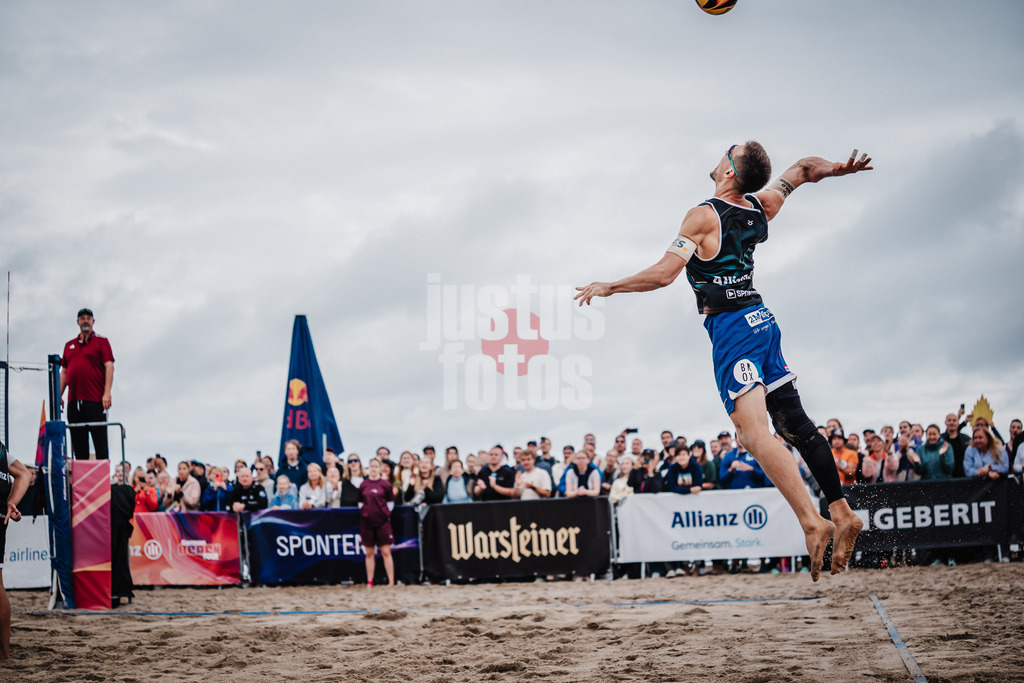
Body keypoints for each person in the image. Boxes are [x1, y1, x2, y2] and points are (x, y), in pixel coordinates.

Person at [575, 142, 871, 579]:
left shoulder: (702, 215)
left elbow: (663, 275)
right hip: (763, 320)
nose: (718, 157)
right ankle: (842, 511)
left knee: (753, 436)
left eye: (725, 153)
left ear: (729, 171)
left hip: (733, 331)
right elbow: (804, 168)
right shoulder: (760, 206)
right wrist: (836, 170)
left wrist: (610, 287)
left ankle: (813, 522)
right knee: (794, 424)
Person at [60, 308, 115, 459]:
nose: (85, 321)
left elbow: (109, 365)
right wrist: (58, 395)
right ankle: (80, 479)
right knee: (78, 444)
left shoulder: (101, 342)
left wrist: (107, 392)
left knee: (100, 442)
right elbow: (64, 371)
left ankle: (102, 479)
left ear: (93, 321)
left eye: (88, 318)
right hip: (74, 401)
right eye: (82, 318)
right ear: (78, 321)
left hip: (95, 399)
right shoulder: (69, 345)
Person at [1, 441, 32, 659]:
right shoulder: (1, 450)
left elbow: (24, 474)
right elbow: (24, 474)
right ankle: (4, 653)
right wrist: (11, 501)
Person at [357, 458, 395, 587]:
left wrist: (384, 514)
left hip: (383, 523)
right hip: (367, 523)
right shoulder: (363, 485)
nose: (373, 469)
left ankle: (391, 581)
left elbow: (390, 503)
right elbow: (360, 503)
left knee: (386, 552)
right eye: (371, 466)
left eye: (376, 466)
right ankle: (370, 581)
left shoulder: (386, 485)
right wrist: (366, 513)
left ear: (380, 468)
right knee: (369, 553)